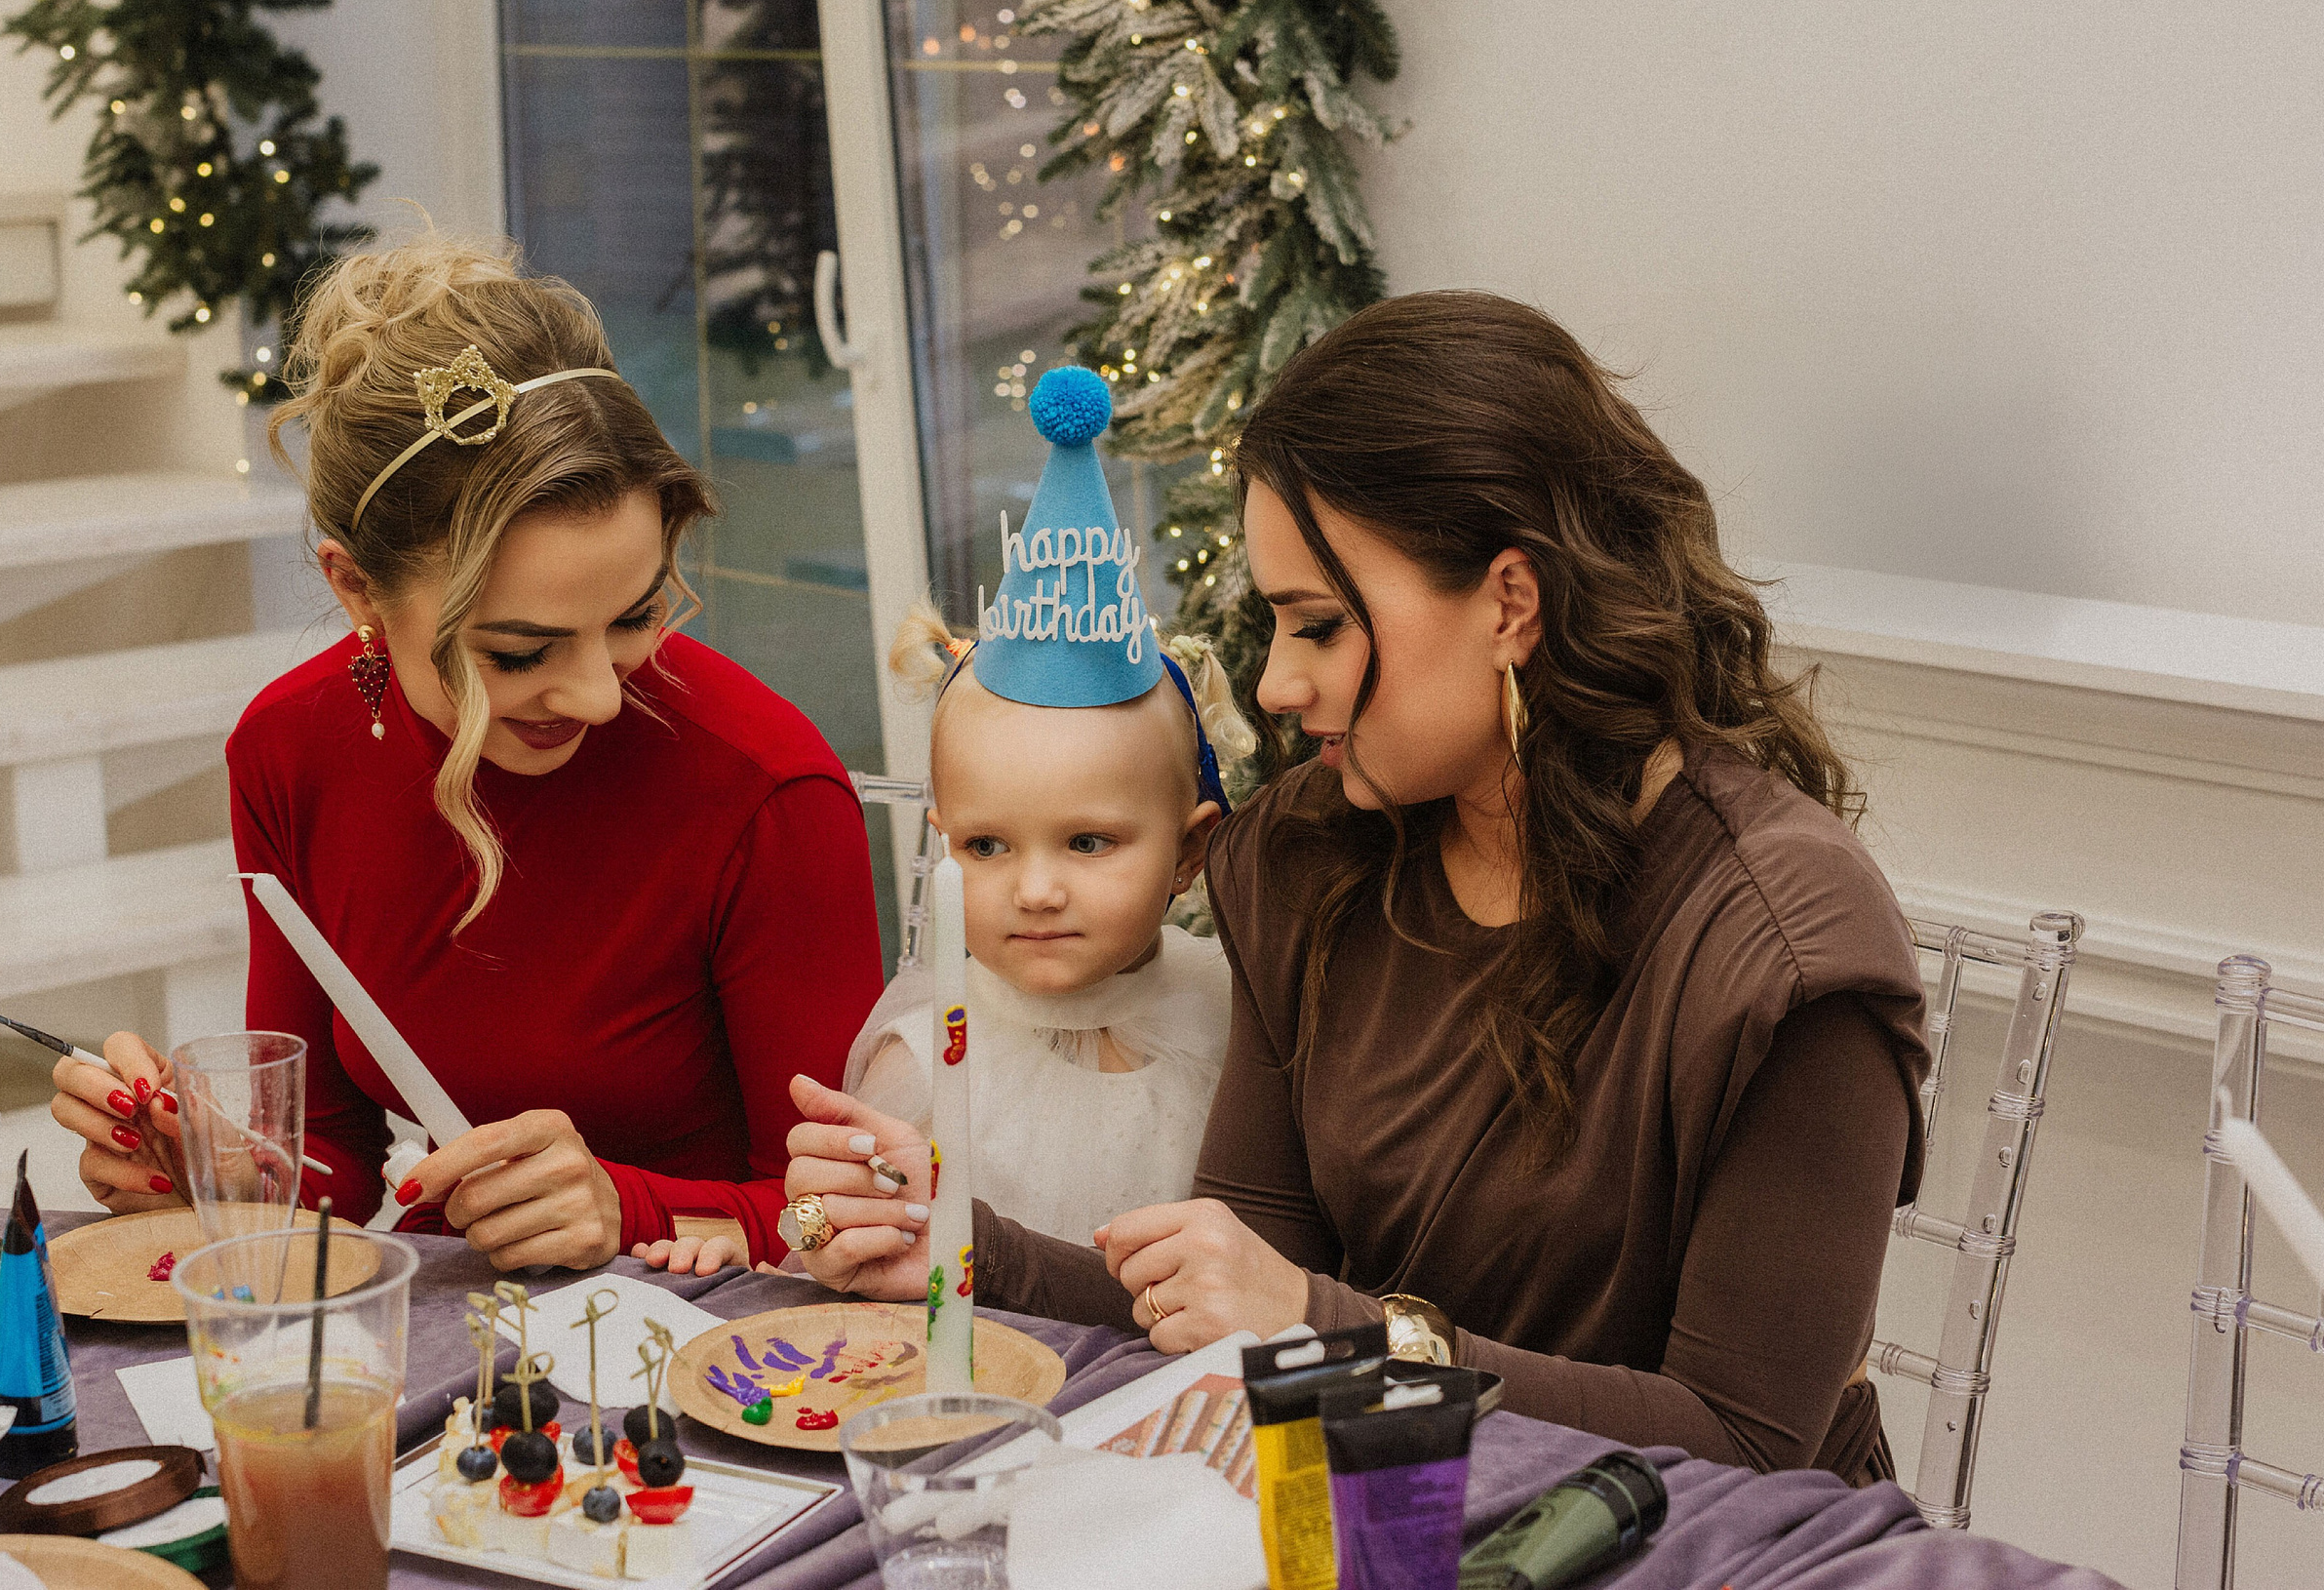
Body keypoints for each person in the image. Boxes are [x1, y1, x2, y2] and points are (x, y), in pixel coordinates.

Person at [775, 292, 1930, 1484]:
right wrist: (965, 1249)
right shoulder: (1308, 860)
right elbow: (1235, 1285)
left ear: (1508, 604)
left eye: (1318, 627)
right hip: (1383, 1514)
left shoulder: (1781, 952)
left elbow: (1743, 1445)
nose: (1274, 684)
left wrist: (1328, 1329)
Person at [44, 234, 886, 1273]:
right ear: (355, 588)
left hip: (725, 1371)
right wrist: (212, 1168)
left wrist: (634, 1213)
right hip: (460, 1343)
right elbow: (342, 1162)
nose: (595, 695)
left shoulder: (767, 790)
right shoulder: (287, 752)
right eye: (521, 650)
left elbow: (852, 1216)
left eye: (634, 617)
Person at [837, 372, 1254, 1249]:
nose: (1033, 889)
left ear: (1190, 852)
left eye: (1088, 840)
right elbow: (832, 1245)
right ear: (941, 838)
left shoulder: (1240, 1025)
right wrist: (811, 1222)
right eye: (986, 844)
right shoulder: (920, 1067)